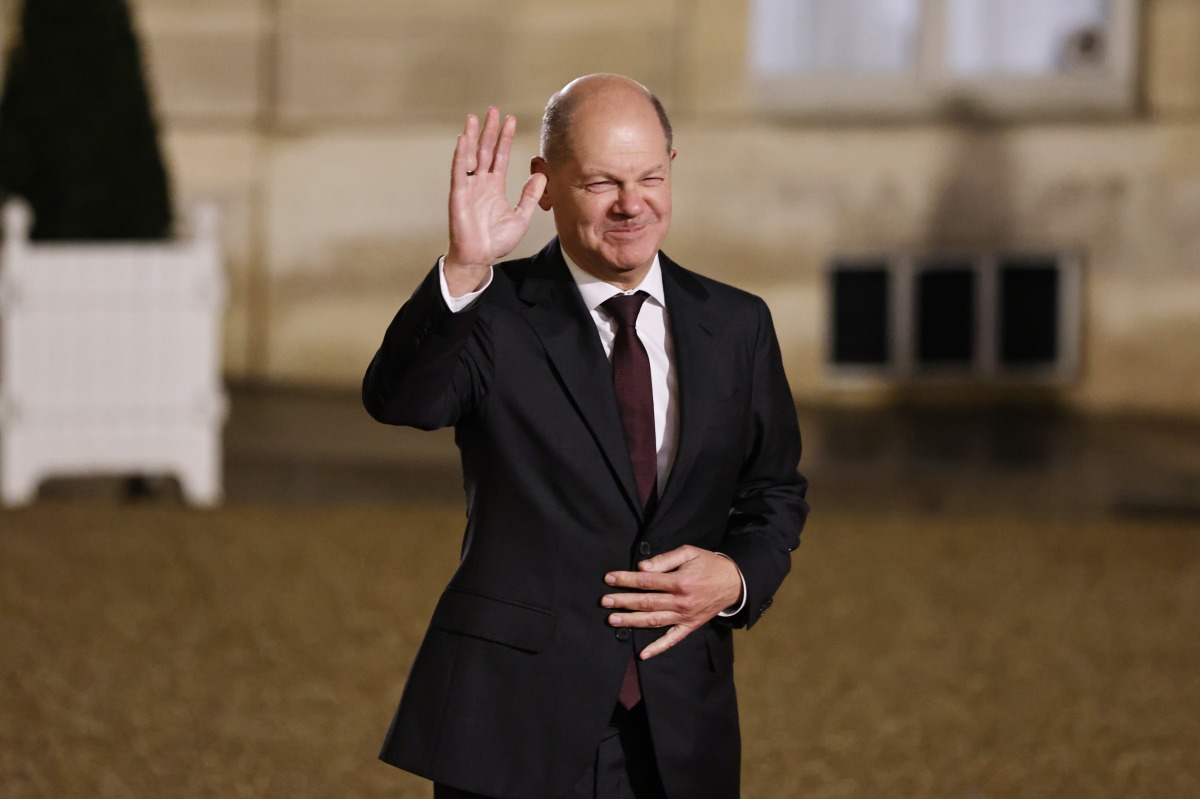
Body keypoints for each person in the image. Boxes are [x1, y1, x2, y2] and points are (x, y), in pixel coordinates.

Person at [363, 74, 808, 799]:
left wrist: (738, 578)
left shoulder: (737, 325)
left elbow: (774, 490)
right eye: (603, 182)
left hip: (677, 727)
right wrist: (467, 266)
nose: (633, 205)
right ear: (544, 183)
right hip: (513, 720)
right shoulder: (494, 313)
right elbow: (400, 400)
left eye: (651, 177)